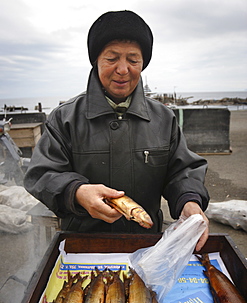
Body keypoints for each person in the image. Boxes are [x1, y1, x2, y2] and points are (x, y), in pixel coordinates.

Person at [24, 10, 209, 251]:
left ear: (143, 63)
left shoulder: (164, 118)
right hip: (83, 245)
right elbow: (41, 173)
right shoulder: (64, 118)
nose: (123, 69)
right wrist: (77, 191)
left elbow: (182, 171)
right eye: (112, 58)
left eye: (133, 60)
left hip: (146, 244)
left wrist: (190, 201)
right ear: (96, 60)